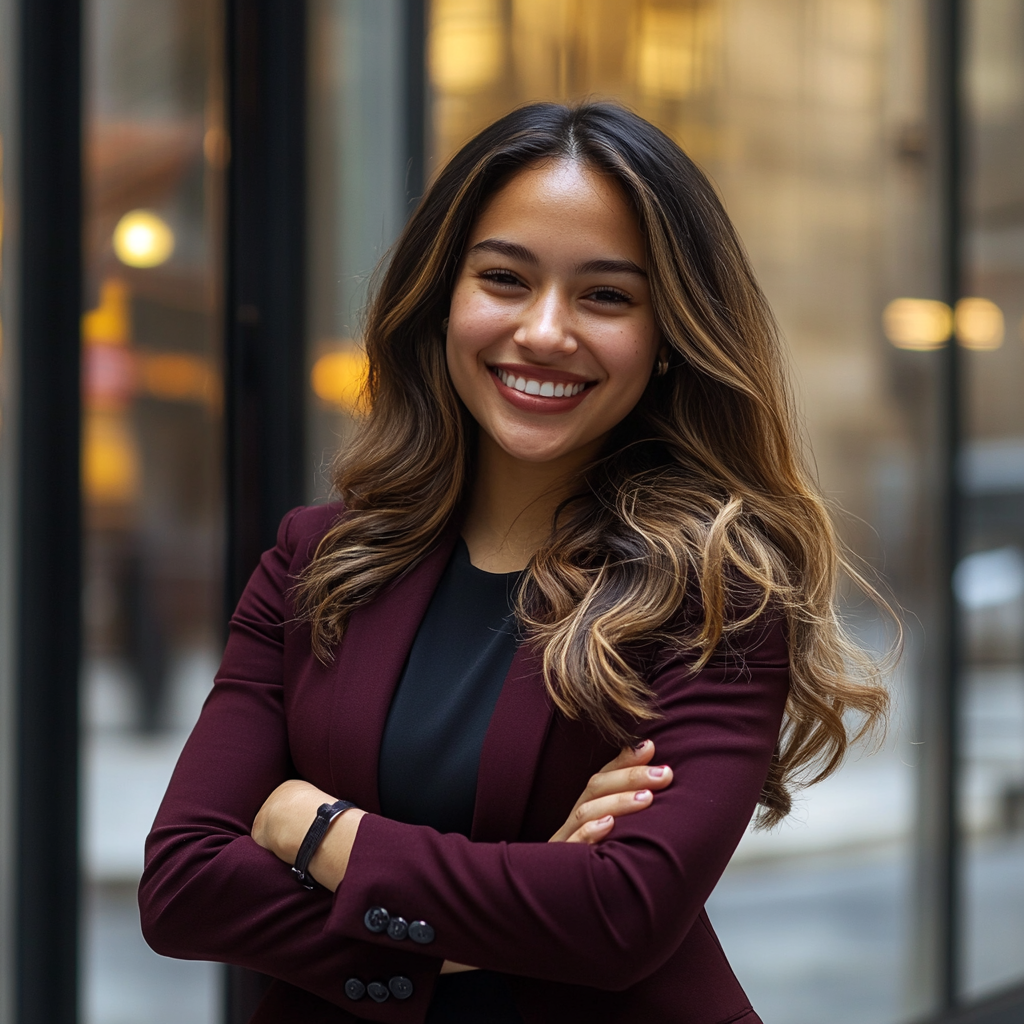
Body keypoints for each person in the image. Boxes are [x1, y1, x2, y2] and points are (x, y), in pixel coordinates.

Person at [139, 102, 890, 1023]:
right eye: (505, 279)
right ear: (443, 296)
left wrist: (319, 828)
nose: (544, 331)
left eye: (607, 296)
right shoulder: (314, 562)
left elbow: (620, 917)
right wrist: (499, 920)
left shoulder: (716, 594)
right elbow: (180, 885)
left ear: (666, 340)